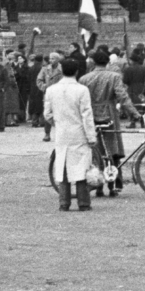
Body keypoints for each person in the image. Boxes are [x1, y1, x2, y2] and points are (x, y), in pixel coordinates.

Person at [82, 48, 140, 194]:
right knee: (112, 150)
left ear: (93, 62)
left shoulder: (85, 78)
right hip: (109, 114)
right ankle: (113, 184)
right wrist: (134, 112)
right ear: (107, 62)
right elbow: (122, 97)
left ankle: (97, 185)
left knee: (96, 150)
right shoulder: (114, 76)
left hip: (91, 114)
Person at [44, 62, 99, 211]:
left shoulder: (51, 90)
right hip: (79, 132)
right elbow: (87, 115)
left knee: (62, 166)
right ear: (77, 71)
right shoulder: (82, 90)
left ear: (61, 70)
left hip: (62, 132)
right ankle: (83, 203)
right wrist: (91, 136)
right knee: (81, 167)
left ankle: (64, 203)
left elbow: (47, 114)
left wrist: (58, 123)